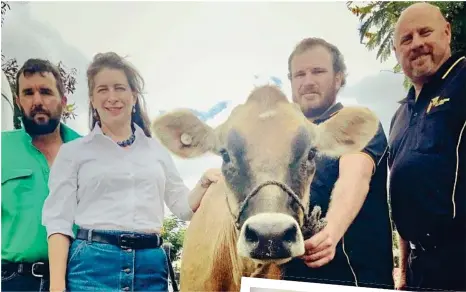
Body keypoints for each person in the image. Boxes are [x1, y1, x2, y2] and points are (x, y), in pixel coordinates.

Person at [41, 52, 221, 292]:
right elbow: (59, 224)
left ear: (133, 97)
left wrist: (205, 181)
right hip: (92, 269)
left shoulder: (157, 151)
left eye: (120, 88)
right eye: (102, 89)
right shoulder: (73, 153)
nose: (112, 97)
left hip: (150, 270)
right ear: (93, 100)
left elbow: (182, 207)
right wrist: (56, 287)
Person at [282, 37, 394, 290]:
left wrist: (330, 231)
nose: (308, 81)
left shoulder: (355, 121)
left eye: (318, 71)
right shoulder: (287, 141)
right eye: (299, 74)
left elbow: (353, 180)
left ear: (338, 78)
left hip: (354, 280)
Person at [388, 3, 466, 291]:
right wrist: (404, 275)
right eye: (406, 39)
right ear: (397, 53)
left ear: (446, 32)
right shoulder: (400, 116)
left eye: (425, 32)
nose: (417, 44)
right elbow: (402, 199)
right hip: (419, 271)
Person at [1, 59, 81, 291]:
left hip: (78, 279)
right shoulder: (2, 148)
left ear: (63, 101)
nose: (37, 101)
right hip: (12, 281)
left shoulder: (88, 151)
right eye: (28, 93)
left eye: (45, 92)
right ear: (17, 102)